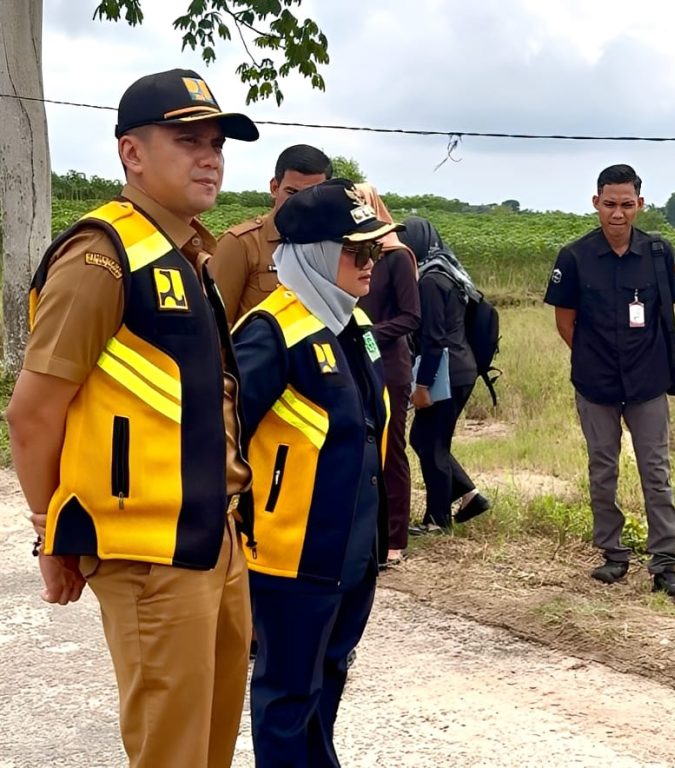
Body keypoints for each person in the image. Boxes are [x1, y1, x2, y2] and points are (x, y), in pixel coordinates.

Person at [7, 68, 259, 767]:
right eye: (188, 141)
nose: (209, 158)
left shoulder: (191, 255)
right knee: (170, 752)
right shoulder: (102, 257)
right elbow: (32, 414)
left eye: (216, 144)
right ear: (132, 153)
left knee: (209, 746)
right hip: (150, 554)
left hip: (214, 538)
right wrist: (50, 530)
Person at [232, 178, 395, 767]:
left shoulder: (352, 324)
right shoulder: (271, 332)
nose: (370, 262)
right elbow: (221, 436)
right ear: (317, 254)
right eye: (357, 250)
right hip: (292, 554)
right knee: (287, 694)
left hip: (350, 551)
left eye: (375, 250)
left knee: (328, 682)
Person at [543, 164, 675, 604]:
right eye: (609, 204)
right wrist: (595, 359)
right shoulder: (574, 257)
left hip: (648, 380)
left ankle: (665, 563)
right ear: (596, 203)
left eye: (627, 204)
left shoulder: (658, 253)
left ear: (640, 204)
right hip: (596, 383)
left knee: (656, 471)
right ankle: (612, 552)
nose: (618, 213)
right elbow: (565, 322)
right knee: (603, 469)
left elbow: (667, 315)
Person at [400, 217, 491, 533]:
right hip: (460, 366)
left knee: (432, 443)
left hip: (446, 370)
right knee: (425, 438)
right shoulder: (448, 272)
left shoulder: (430, 281)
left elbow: (434, 339)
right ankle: (469, 495)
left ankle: (438, 520)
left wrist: (423, 385)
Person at [355, 183, 421, 566]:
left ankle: (395, 537)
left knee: (390, 449)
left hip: (389, 365)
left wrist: (365, 333)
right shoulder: (347, 255)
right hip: (353, 362)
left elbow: (411, 317)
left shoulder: (396, 256)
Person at [209, 143, 332, 325]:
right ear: (275, 187)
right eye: (292, 193)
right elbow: (215, 326)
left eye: (312, 195)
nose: (301, 204)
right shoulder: (241, 244)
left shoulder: (331, 245)